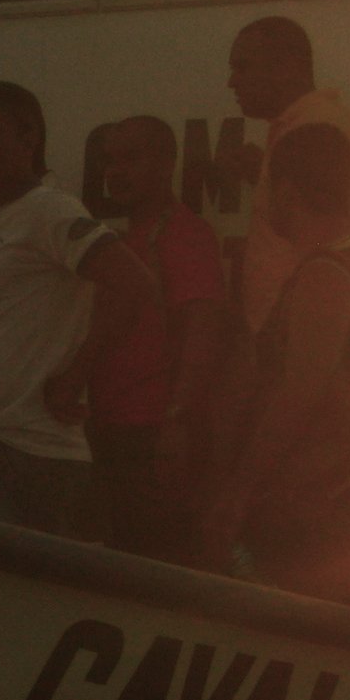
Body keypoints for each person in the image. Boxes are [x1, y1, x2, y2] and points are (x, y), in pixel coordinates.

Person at [0, 83, 157, 538]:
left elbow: (134, 284)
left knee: (5, 603)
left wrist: (75, 375)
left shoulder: (47, 208)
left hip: (26, 454)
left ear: (28, 139)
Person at [205, 126, 350, 603]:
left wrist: (238, 491)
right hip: (331, 504)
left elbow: (299, 392)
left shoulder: (324, 277)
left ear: (285, 188)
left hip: (317, 508)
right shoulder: (346, 272)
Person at [87, 117, 228, 563]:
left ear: (167, 164)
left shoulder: (185, 235)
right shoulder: (127, 240)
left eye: (131, 158)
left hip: (154, 442)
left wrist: (177, 426)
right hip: (113, 436)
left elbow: (203, 335)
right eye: (110, 160)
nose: (116, 171)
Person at [227, 16, 350, 331]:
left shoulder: (314, 130)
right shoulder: (308, 124)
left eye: (242, 67)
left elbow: (318, 231)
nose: (232, 82)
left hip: (302, 334)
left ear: (288, 67)